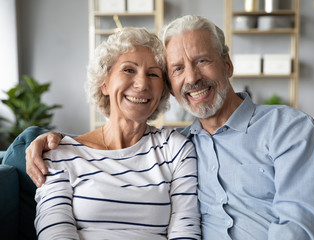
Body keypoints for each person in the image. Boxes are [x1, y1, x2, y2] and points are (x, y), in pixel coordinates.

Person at [26, 16, 314, 239]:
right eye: (177, 69)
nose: (191, 78)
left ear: (227, 65)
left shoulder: (286, 128)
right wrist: (47, 140)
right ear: (173, 88)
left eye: (203, 60)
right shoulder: (185, 144)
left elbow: (302, 225)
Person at [32, 27, 200, 240]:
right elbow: (54, 233)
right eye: (129, 70)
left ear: (163, 92)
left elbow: (185, 230)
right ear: (104, 83)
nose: (141, 84)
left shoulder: (175, 149)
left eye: (153, 74)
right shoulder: (59, 154)